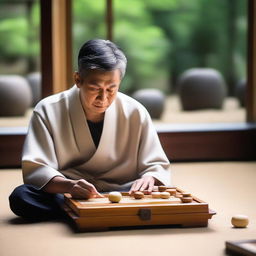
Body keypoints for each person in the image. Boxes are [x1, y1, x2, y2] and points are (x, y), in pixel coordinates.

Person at [9, 39, 171, 221]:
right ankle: (109, 212)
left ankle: (85, 213)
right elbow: (37, 169)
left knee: (159, 192)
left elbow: (156, 165)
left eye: (111, 89)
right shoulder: (48, 109)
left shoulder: (135, 111)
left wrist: (150, 177)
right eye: (95, 88)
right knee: (22, 197)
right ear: (78, 79)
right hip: (69, 192)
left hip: (121, 189)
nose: (103, 98)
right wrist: (69, 186)